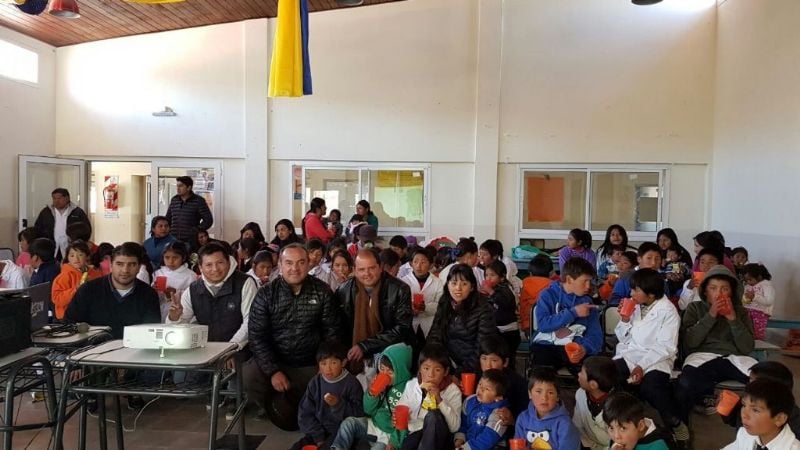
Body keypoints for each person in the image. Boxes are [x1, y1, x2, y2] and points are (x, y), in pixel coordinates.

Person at [245, 243, 342, 420]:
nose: (294, 268)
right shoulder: (266, 294)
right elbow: (257, 337)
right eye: (289, 263)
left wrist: (325, 363)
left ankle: (306, 408)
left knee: (332, 382)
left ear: (308, 264)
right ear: (280, 265)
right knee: (249, 375)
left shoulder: (322, 291)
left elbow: (332, 332)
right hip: (278, 361)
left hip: (311, 363)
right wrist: (273, 371)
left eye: (301, 262)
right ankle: (271, 406)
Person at [675, 264, 755, 428]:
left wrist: (733, 319)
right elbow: (689, 342)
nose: (719, 293)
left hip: (736, 358)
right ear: (705, 291)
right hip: (702, 357)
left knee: (768, 381)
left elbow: (747, 347)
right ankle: (681, 430)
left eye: (724, 289)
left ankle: (757, 430)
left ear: (732, 292)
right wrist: (710, 316)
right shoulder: (695, 308)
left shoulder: (741, 312)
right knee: (685, 384)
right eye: (713, 288)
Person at [613, 268, 686, 445]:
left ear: (651, 294)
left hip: (657, 359)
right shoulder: (636, 306)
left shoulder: (668, 312)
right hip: (631, 354)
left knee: (651, 388)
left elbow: (665, 347)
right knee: (611, 375)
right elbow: (624, 338)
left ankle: (674, 423)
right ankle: (624, 426)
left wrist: (641, 366)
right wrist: (624, 319)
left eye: (635, 290)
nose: (631, 293)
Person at [337, 248, 413, 374]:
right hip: (353, 355)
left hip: (390, 353)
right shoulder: (343, 291)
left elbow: (402, 328)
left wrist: (365, 346)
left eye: (372, 268)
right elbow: (339, 328)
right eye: (361, 269)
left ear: (380, 267)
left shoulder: (399, 289)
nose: (367, 273)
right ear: (354, 270)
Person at [65, 242, 160, 339]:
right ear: (111, 265)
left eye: (131, 264)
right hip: (92, 350)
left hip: (133, 350)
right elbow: (70, 324)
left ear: (139, 267)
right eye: (119, 264)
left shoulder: (149, 294)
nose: (125, 270)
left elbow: (151, 333)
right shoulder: (88, 290)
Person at [330, 343, 413, 450]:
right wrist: (372, 393)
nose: (385, 374)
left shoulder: (410, 389)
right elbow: (368, 410)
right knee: (349, 423)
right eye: (382, 369)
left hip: (388, 436)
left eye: (390, 372)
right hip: (373, 425)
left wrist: (394, 442)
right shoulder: (380, 381)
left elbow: (404, 424)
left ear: (402, 371)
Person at [532, 257, 602, 373]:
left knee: (592, 372)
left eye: (590, 281)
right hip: (548, 346)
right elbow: (543, 325)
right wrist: (573, 313)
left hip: (576, 346)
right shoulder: (547, 295)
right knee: (541, 368)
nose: (588, 286)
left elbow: (595, 335)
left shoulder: (587, 302)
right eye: (585, 281)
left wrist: (584, 349)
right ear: (569, 280)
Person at [427, 263, 498, 375]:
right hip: (446, 363)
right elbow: (435, 333)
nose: (458, 288)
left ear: (472, 287)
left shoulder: (483, 308)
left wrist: (459, 373)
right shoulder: (445, 301)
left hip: (471, 368)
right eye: (454, 283)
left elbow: (482, 348)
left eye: (464, 284)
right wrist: (438, 362)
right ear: (448, 284)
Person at [293, 341, 364, 450]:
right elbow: (304, 414)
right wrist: (318, 437)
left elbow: (359, 415)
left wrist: (338, 404)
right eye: (323, 363)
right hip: (317, 431)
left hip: (341, 432)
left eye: (333, 363)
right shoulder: (315, 383)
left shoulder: (352, 383)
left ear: (343, 362)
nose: (328, 369)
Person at [396, 345, 462, 450]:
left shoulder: (453, 391)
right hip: (416, 432)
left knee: (433, 415)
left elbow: (454, 427)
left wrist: (439, 400)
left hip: (441, 438)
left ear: (445, 372)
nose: (430, 374)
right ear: (420, 369)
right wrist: (401, 418)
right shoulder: (412, 386)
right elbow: (403, 416)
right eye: (426, 368)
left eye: (437, 370)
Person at [720, 361, 800, 437]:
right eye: (749, 380)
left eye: (755, 410)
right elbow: (738, 422)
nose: (748, 386)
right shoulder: (749, 402)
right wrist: (727, 411)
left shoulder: (794, 420)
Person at [722, 379, 800, 450]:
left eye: (755, 410)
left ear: (779, 418)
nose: (744, 415)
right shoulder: (744, 434)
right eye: (744, 405)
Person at [514, 367, 580, 450]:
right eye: (538, 391)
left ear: (557, 397)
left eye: (550, 393)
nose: (544, 398)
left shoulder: (564, 424)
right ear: (530, 394)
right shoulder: (523, 419)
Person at [453, 368, 508, 450]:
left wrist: (467, 448)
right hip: (467, 445)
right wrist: (459, 439)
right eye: (480, 384)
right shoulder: (470, 401)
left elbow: (488, 439)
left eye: (487, 389)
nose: (481, 390)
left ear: (498, 397)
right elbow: (463, 424)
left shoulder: (500, 413)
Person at [400, 246, 444, 343]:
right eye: (415, 262)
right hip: (410, 324)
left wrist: (426, 307)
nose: (418, 266)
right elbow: (399, 305)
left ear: (431, 265)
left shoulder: (438, 282)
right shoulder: (403, 281)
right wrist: (410, 308)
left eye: (423, 262)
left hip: (430, 324)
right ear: (411, 264)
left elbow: (441, 304)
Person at [574, 356, 619, 450]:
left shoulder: (617, 407)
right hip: (588, 443)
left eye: (582, 373)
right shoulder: (580, 394)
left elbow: (620, 441)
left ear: (593, 385)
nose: (578, 374)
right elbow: (577, 425)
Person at [34, 188, 92, 261]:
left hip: (71, 247)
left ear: (67, 198)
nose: (56, 201)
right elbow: (38, 228)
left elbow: (86, 229)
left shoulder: (77, 212)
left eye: (59, 198)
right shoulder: (46, 212)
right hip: (51, 247)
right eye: (54, 198)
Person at [603, 392, 673, 450]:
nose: (616, 436)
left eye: (623, 428)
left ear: (640, 426)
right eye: (611, 428)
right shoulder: (621, 439)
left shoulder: (659, 446)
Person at [479, 336, 528, 419]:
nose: (488, 365)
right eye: (484, 359)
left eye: (494, 360)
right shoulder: (476, 377)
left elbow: (524, 413)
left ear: (505, 362)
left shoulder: (518, 384)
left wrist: (512, 418)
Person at [52, 240, 103, 320]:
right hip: (68, 317)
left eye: (80, 254)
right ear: (67, 257)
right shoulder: (64, 276)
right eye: (72, 255)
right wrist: (76, 289)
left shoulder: (95, 274)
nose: (76, 258)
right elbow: (57, 299)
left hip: (91, 315)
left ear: (87, 256)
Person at [483, 260, 520, 367]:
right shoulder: (494, 289)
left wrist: (490, 292)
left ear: (502, 277)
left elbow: (504, 303)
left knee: (507, 359)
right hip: (496, 330)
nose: (488, 278)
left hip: (509, 331)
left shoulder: (505, 289)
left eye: (492, 275)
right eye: (486, 275)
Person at [152, 241, 197, 322]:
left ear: (183, 258)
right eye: (167, 257)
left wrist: (175, 292)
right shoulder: (158, 273)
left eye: (175, 258)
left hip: (182, 314)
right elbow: (154, 297)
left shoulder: (190, 275)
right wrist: (153, 290)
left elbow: (194, 297)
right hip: (160, 311)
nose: (170, 261)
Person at [164, 176, 213, 250]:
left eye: (181, 186)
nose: (178, 188)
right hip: (173, 239)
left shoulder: (198, 201)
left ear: (189, 187)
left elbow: (208, 220)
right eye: (177, 186)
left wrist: (196, 230)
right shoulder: (174, 200)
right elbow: (168, 218)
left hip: (190, 241)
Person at [520, 254, 554, 337]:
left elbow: (522, 305)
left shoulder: (524, 283)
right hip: (548, 325)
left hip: (528, 324)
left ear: (530, 273)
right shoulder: (553, 285)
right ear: (550, 273)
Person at [741, 263, 775, 340]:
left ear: (759, 276)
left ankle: (757, 348)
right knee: (746, 332)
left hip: (760, 313)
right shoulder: (748, 285)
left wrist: (754, 297)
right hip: (747, 311)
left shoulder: (766, 285)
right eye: (746, 280)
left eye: (750, 279)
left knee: (757, 334)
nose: (748, 282)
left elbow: (769, 301)